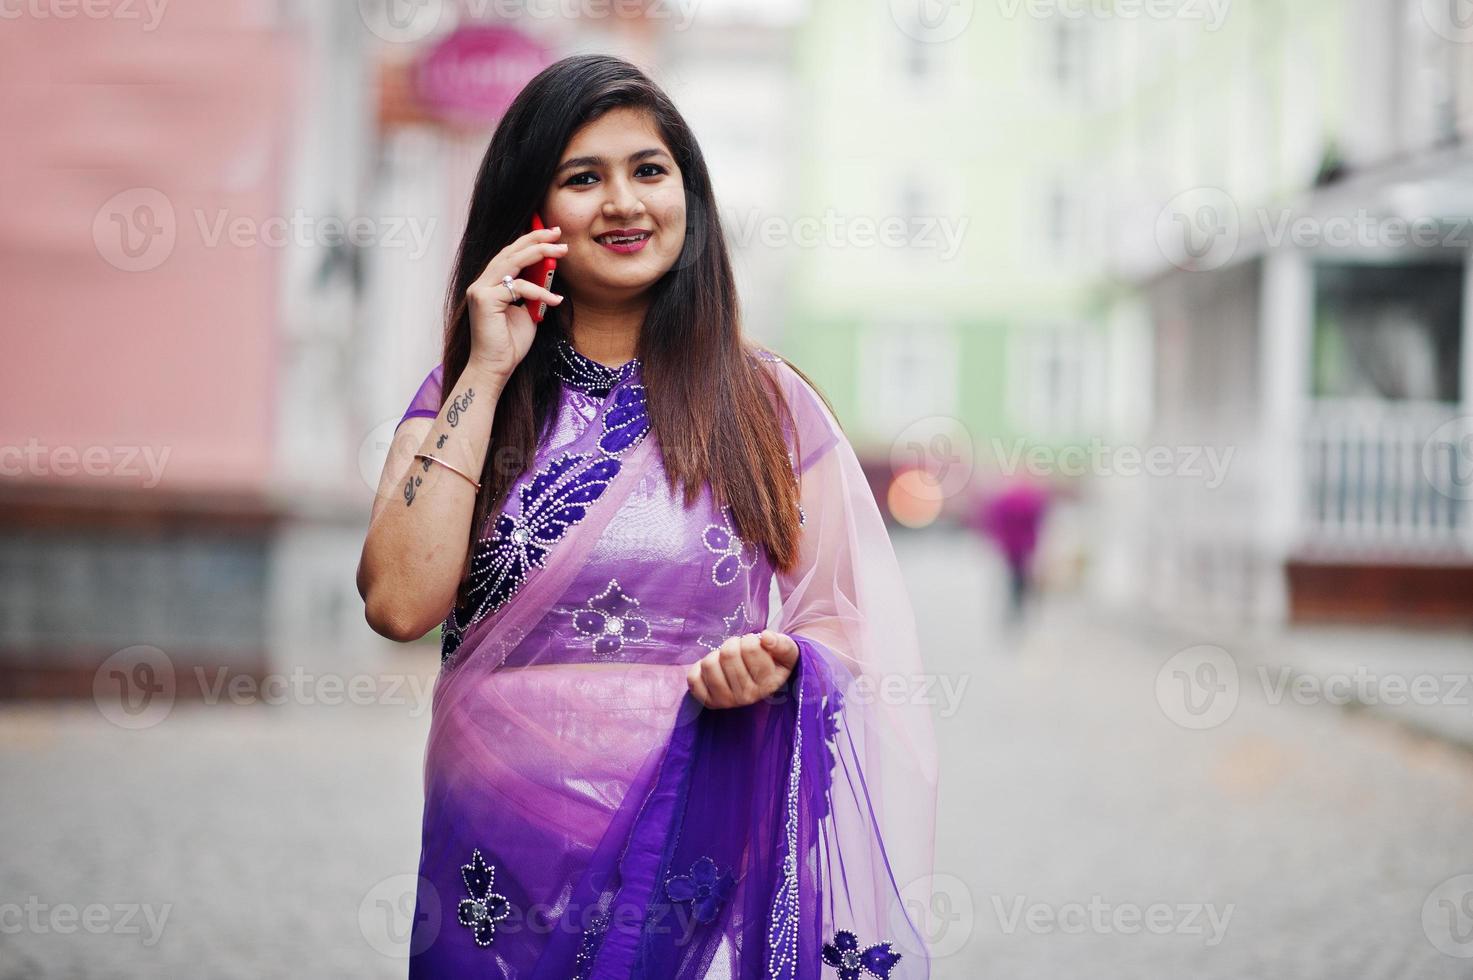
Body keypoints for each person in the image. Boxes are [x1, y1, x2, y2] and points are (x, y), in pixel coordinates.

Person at [357, 54, 938, 979]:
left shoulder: (768, 406)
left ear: (688, 196)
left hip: (691, 835)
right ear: (530, 214)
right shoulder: (471, 400)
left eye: (648, 170)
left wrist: (783, 663)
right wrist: (484, 365)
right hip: (493, 850)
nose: (623, 202)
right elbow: (397, 601)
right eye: (583, 177)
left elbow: (842, 621)